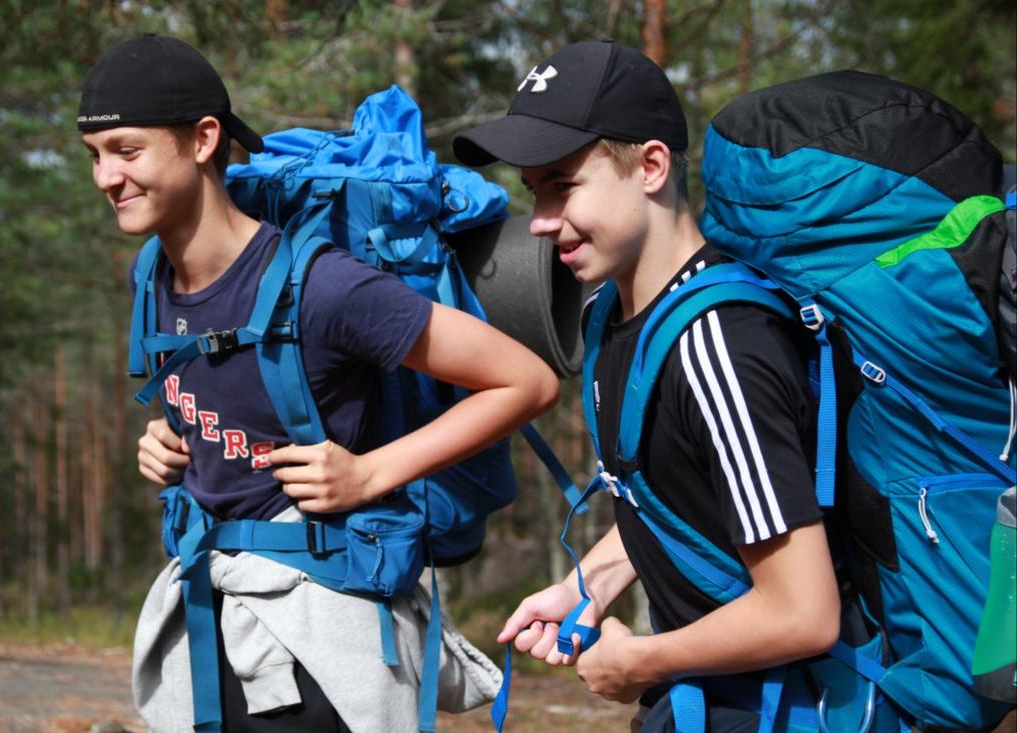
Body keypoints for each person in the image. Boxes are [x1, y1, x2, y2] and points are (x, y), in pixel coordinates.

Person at [78, 34, 559, 732]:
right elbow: (232, 400)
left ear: (204, 139)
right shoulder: (151, 276)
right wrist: (167, 437)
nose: (105, 178)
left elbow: (525, 380)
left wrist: (369, 472)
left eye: (127, 150)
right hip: (210, 622)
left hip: (323, 643)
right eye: (94, 156)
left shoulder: (324, 286)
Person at [454, 40, 848, 731]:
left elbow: (804, 611)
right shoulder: (616, 318)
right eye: (534, 192)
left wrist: (644, 661)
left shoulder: (718, 345)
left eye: (563, 185)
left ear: (652, 166)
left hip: (774, 711)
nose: (541, 223)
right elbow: (679, 494)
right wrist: (590, 582)